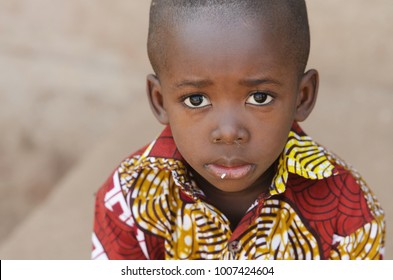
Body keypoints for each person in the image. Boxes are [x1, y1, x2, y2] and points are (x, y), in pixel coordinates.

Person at [91, 0, 385, 260]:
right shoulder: (127, 200)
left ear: (303, 96)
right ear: (159, 101)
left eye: (260, 97)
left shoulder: (350, 212)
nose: (229, 132)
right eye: (196, 100)